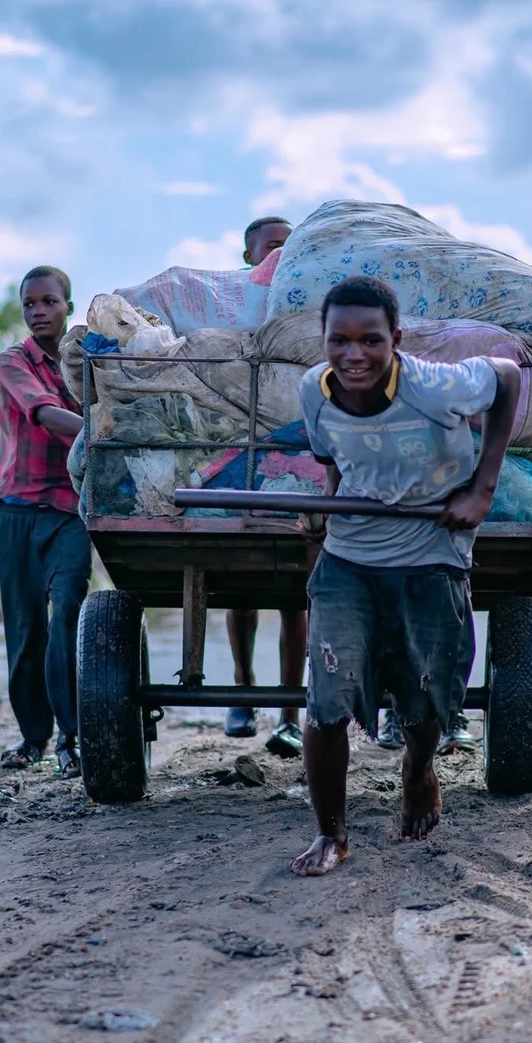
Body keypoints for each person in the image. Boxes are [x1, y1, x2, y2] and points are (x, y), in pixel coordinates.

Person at [290, 275, 520, 876]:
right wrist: (326, 503)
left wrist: (482, 490)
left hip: (432, 550)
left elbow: (510, 376)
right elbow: (331, 458)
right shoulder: (313, 392)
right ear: (323, 340)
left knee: (424, 698)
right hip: (349, 557)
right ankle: (331, 834)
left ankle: (418, 772)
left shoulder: (435, 386)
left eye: (370, 340)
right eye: (338, 340)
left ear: (396, 339)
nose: (353, 355)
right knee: (326, 700)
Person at [0, 266, 92, 779]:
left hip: (70, 512)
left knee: (67, 617)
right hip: (19, 511)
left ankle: (72, 737)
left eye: (49, 302)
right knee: (25, 629)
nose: (38, 312)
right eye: (29, 304)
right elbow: (46, 414)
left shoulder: (88, 363)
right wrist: (107, 435)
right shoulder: (12, 362)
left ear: (68, 307)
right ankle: (34, 737)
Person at [223, 215, 309, 758]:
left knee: (298, 599)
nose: (280, 257)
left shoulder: (310, 306)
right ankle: (241, 686)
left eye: (289, 247)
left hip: (299, 458)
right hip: (241, 453)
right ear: (251, 259)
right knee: (237, 584)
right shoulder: (235, 305)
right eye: (272, 248)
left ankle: (289, 711)